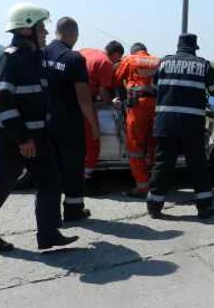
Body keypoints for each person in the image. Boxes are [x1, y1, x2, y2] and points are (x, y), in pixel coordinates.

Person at [0, 2, 78, 252]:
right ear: (25, 29)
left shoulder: (37, 58)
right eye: (41, 27)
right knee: (0, 183)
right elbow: (3, 102)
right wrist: (22, 138)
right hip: (12, 137)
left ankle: (49, 233)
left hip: (38, 135)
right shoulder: (8, 60)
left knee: (51, 181)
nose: (45, 33)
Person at [147, 33, 214, 219]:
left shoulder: (163, 63)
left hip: (165, 124)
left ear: (178, 46)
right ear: (194, 47)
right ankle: (205, 208)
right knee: (198, 165)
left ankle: (154, 207)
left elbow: (155, 89)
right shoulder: (202, 65)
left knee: (163, 165)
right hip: (191, 125)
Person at [43, 17, 98, 221]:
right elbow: (83, 98)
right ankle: (73, 209)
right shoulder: (74, 58)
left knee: (49, 168)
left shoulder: (40, 54)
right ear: (73, 34)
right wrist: (93, 125)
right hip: (68, 123)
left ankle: (49, 213)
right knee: (73, 167)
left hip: (43, 121)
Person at [113, 42, 160, 198]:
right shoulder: (158, 61)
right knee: (153, 145)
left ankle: (142, 187)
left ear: (133, 51)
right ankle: (155, 183)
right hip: (157, 107)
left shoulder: (130, 60)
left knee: (135, 148)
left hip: (138, 107)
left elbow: (116, 79)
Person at [79, 40, 124, 187]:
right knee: (93, 140)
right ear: (116, 54)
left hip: (66, 101)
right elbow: (103, 91)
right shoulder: (106, 63)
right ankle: (86, 179)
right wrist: (111, 104)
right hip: (84, 102)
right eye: (119, 59)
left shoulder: (86, 51)